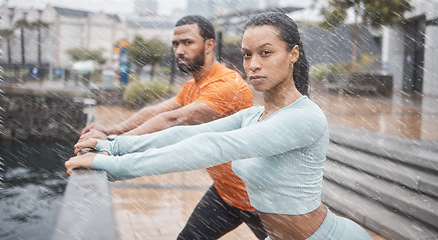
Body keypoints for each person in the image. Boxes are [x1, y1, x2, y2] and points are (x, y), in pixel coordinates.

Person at [66, 12, 373, 240]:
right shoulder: (254, 115)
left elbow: (212, 146)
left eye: (266, 53)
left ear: (292, 54)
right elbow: (187, 132)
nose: (253, 64)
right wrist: (113, 145)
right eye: (247, 54)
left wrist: (113, 166)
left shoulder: (304, 117)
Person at [78, 15, 267, 240]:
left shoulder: (227, 85)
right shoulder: (193, 86)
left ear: (209, 45)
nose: (178, 50)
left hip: (260, 197)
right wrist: (112, 131)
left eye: (187, 42)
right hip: (225, 193)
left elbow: (174, 119)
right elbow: (157, 111)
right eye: (175, 44)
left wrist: (113, 145)